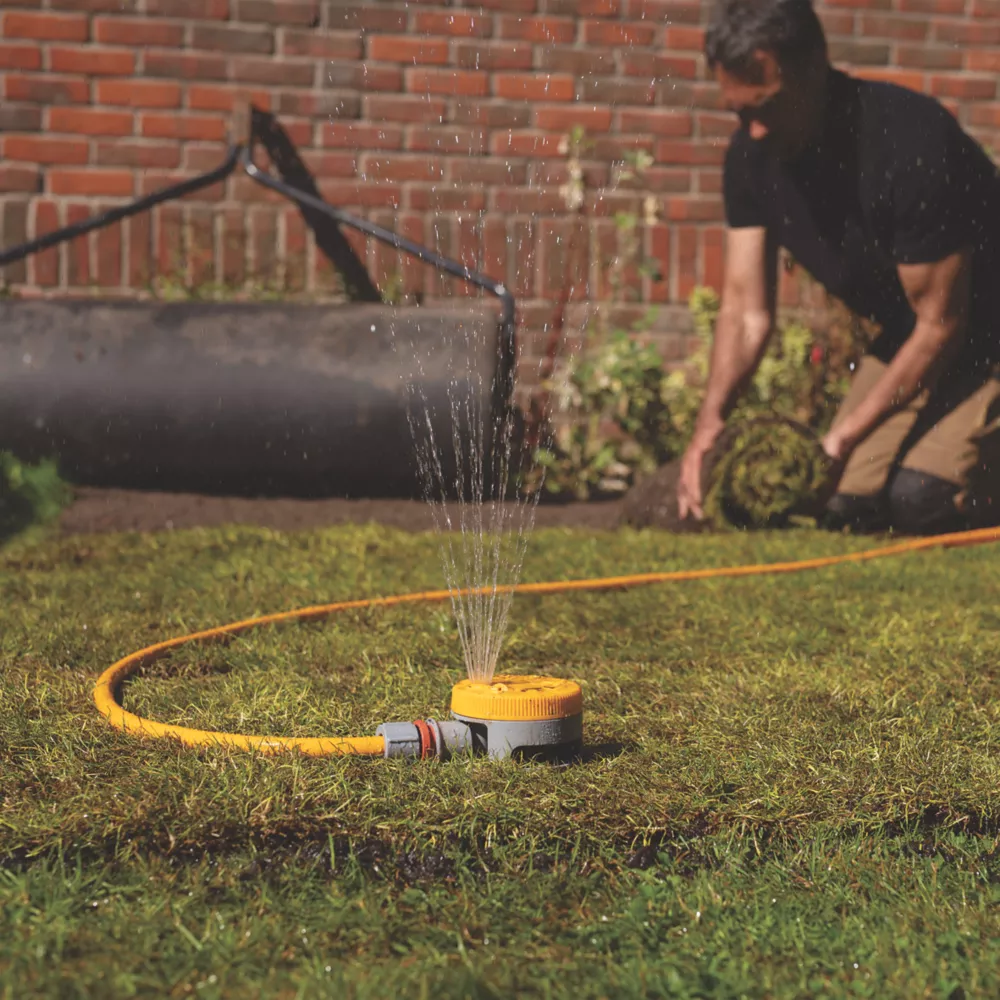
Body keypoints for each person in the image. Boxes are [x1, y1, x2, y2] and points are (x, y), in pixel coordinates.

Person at [676, 0, 1000, 534]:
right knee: (843, 503)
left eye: (767, 107)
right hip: (916, 335)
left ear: (814, 68)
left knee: (922, 499)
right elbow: (745, 314)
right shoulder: (753, 157)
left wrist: (841, 439)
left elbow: (941, 325)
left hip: (983, 336)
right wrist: (707, 428)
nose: (753, 131)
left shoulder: (910, 142)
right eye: (739, 113)